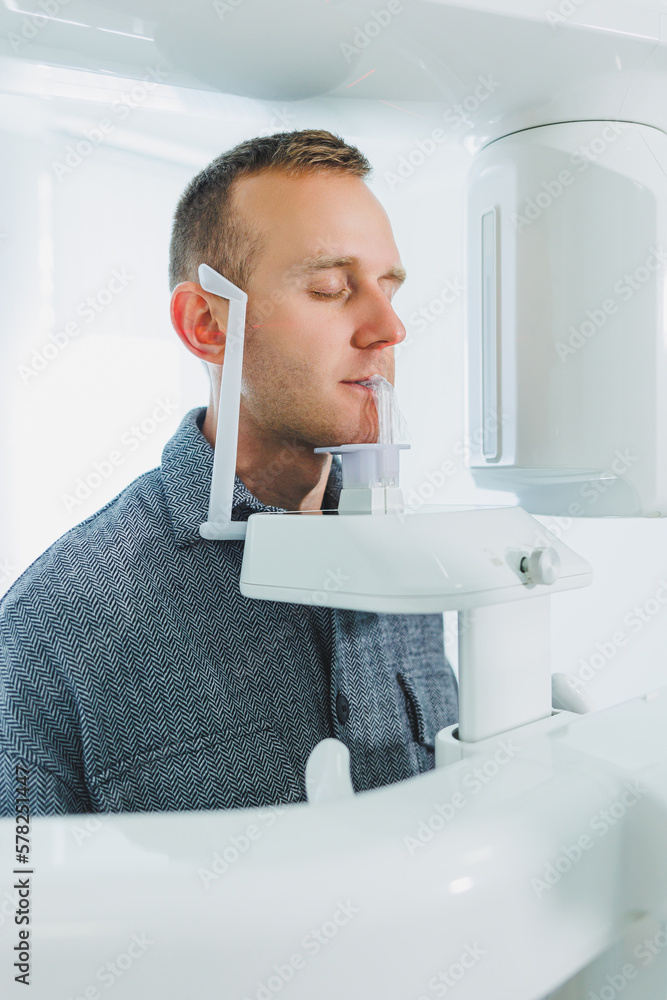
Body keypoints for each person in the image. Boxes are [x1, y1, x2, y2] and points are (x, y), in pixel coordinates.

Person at [0, 128, 457, 816]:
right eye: (332, 288)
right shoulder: (52, 628)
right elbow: (21, 915)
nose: (388, 327)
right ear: (208, 325)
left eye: (388, 287)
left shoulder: (409, 569)